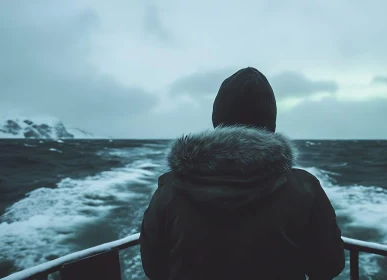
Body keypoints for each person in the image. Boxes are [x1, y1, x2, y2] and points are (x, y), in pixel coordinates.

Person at [139, 67, 345, 280]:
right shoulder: (304, 188)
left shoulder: (169, 191)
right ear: (270, 123)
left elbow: (155, 269)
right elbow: (328, 266)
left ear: (216, 120)